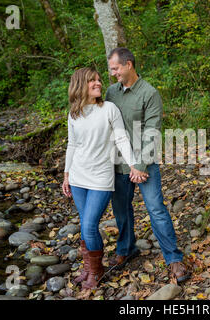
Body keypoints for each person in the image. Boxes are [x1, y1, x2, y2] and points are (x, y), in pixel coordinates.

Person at [104, 47, 189, 283]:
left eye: (115, 68)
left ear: (129, 64)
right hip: (118, 163)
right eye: (111, 69)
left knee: (156, 209)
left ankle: (173, 259)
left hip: (145, 164)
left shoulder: (149, 93)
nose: (113, 74)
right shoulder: (111, 92)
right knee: (121, 210)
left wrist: (139, 165)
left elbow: (152, 133)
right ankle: (126, 249)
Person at [62, 67, 143, 290]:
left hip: (100, 177)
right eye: (92, 81)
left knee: (89, 226)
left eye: (98, 80)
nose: (98, 83)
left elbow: (121, 139)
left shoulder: (109, 109)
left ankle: (96, 273)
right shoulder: (74, 113)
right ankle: (88, 269)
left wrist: (134, 165)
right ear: (80, 85)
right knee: (85, 225)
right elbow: (72, 145)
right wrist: (66, 175)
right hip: (78, 177)